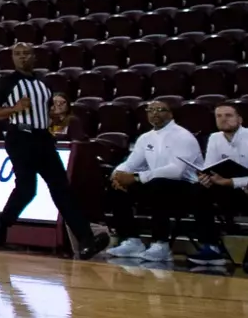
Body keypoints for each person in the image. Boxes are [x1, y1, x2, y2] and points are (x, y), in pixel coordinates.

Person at [0, 42, 106, 257]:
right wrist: (15, 109)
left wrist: (54, 118)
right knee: (27, 190)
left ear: (35, 57)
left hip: (43, 138)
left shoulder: (44, 83)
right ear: (13, 58)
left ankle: (85, 239)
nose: (22, 57)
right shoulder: (7, 82)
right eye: (18, 54)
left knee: (62, 189)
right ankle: (3, 221)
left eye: (27, 53)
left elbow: (46, 113)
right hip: (20, 137)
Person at [103, 100, 215, 263]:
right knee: (117, 187)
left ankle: (161, 244)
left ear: (171, 114)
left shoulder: (183, 136)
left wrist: (136, 177)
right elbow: (131, 162)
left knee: (158, 185)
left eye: (160, 109)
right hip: (157, 184)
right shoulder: (146, 137)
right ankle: (132, 239)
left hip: (189, 188)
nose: (154, 113)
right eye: (150, 110)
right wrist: (117, 174)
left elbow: (176, 171)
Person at [196, 102, 248, 267]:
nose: (223, 119)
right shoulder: (214, 138)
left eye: (228, 115)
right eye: (219, 116)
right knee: (199, 190)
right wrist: (205, 178)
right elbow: (210, 168)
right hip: (229, 190)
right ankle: (211, 247)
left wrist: (232, 181)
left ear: (239, 119)